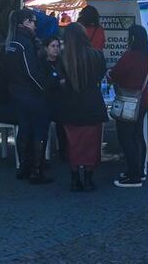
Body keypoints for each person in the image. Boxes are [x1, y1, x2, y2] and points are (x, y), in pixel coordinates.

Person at [5, 9, 54, 184]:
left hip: (18, 94)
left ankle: (24, 168)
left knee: (24, 131)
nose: (36, 25)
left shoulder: (12, 42)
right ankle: (36, 170)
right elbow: (31, 72)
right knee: (40, 131)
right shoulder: (24, 43)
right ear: (25, 22)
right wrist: (44, 89)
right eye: (34, 21)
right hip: (31, 94)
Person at [60, 22, 108, 192]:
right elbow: (101, 75)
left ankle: (74, 179)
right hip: (92, 103)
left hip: (70, 105)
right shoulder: (96, 55)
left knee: (73, 143)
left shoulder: (63, 57)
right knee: (91, 143)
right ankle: (88, 179)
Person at [108, 24, 148, 188]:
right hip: (143, 100)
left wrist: (109, 74)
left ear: (132, 38)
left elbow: (116, 73)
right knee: (138, 137)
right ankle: (138, 172)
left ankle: (133, 175)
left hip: (129, 102)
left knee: (126, 138)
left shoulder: (130, 55)